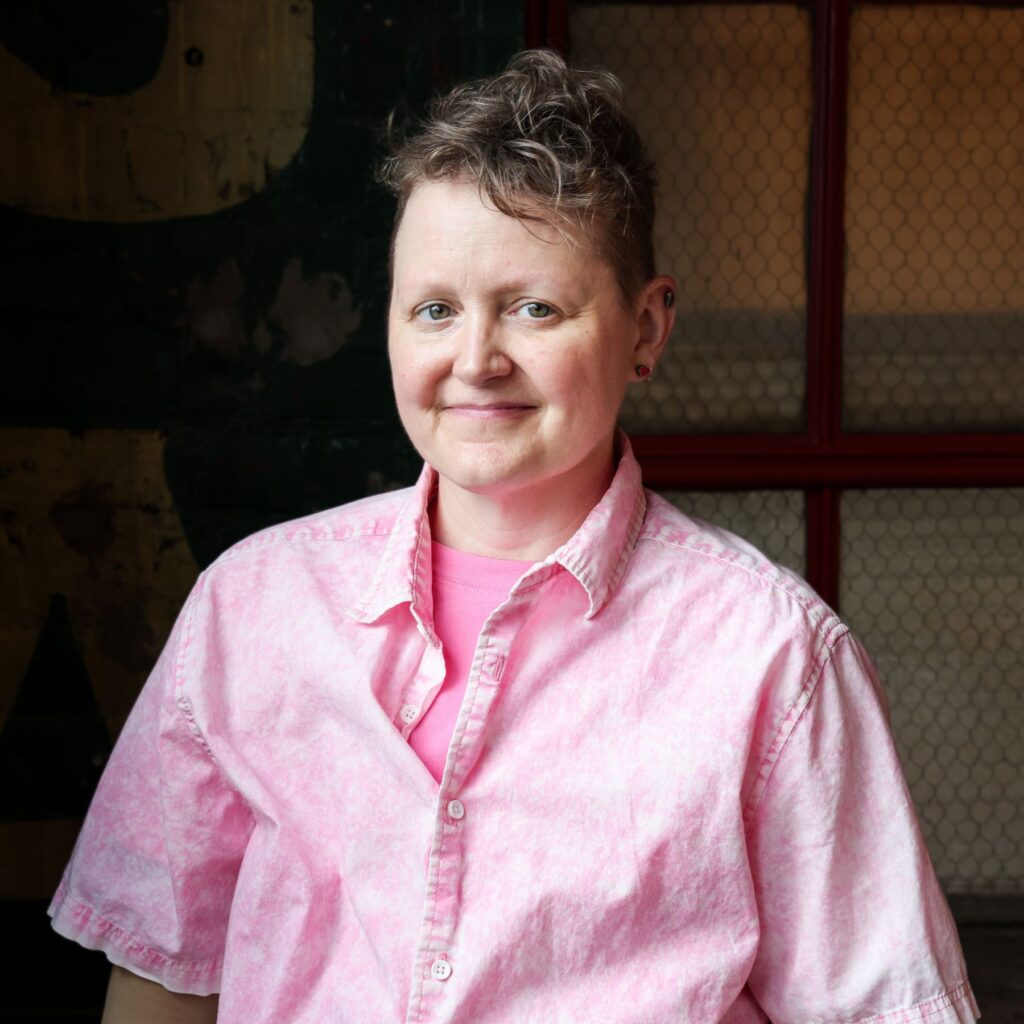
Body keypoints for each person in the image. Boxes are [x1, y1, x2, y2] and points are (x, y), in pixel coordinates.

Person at [51, 50, 979, 1024]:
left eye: (534, 308)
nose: (475, 359)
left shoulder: (772, 657)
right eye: (434, 310)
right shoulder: (253, 607)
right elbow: (163, 973)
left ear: (646, 329)